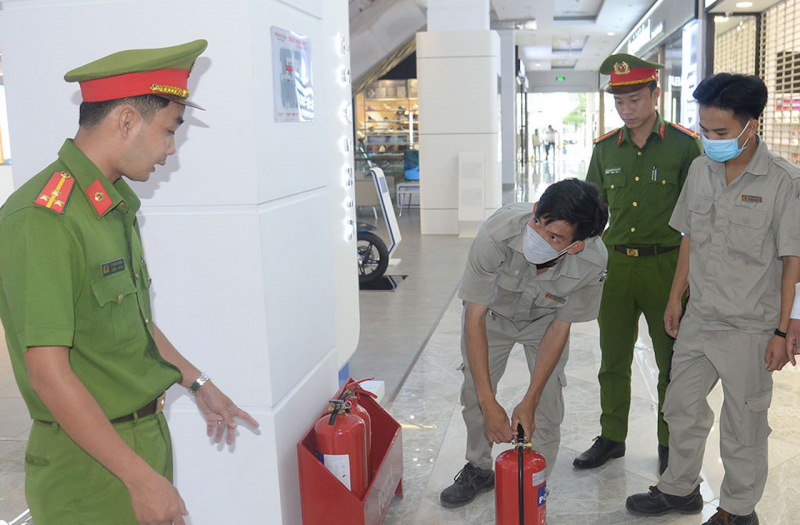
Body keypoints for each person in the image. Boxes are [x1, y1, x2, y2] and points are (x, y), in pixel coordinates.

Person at [0, 40, 259, 525]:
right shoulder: (45, 219)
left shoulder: (110, 205)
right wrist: (140, 480)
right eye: (169, 130)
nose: (170, 148)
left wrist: (198, 382)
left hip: (138, 441)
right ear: (126, 120)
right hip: (89, 468)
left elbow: (130, 320)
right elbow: (48, 374)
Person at [626, 73, 800, 525]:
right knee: (680, 407)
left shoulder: (784, 181)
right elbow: (689, 237)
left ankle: (737, 511)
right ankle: (679, 489)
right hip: (700, 317)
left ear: (751, 125)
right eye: (703, 129)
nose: (709, 140)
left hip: (750, 325)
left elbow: (793, 260)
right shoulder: (700, 170)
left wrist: (783, 329)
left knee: (743, 425)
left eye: (720, 132)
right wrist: (675, 297)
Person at [439, 179, 609, 508]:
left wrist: (529, 400)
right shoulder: (496, 234)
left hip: (545, 322)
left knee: (547, 402)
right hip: (491, 317)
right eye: (537, 222)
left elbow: (560, 328)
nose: (539, 236)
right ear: (535, 210)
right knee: (475, 393)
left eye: (554, 236)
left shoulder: (592, 262)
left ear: (575, 245)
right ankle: (478, 468)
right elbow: (474, 318)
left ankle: (535, 480)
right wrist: (489, 403)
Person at [576, 53, 702, 475]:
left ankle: (669, 442)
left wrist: (687, 282)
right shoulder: (605, 149)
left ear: (655, 94)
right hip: (616, 267)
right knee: (612, 357)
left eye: (635, 100)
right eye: (619, 102)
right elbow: (593, 211)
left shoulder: (684, 146)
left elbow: (698, 218)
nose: (627, 110)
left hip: (666, 267)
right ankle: (612, 436)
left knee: (671, 361)